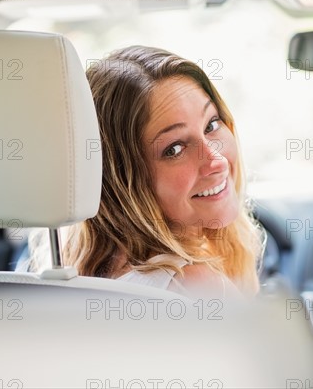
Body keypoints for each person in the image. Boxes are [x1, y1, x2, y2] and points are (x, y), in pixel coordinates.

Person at [31, 45, 264, 299]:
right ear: (121, 182)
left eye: (211, 124)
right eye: (175, 149)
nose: (216, 160)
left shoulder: (68, 281)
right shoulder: (197, 288)